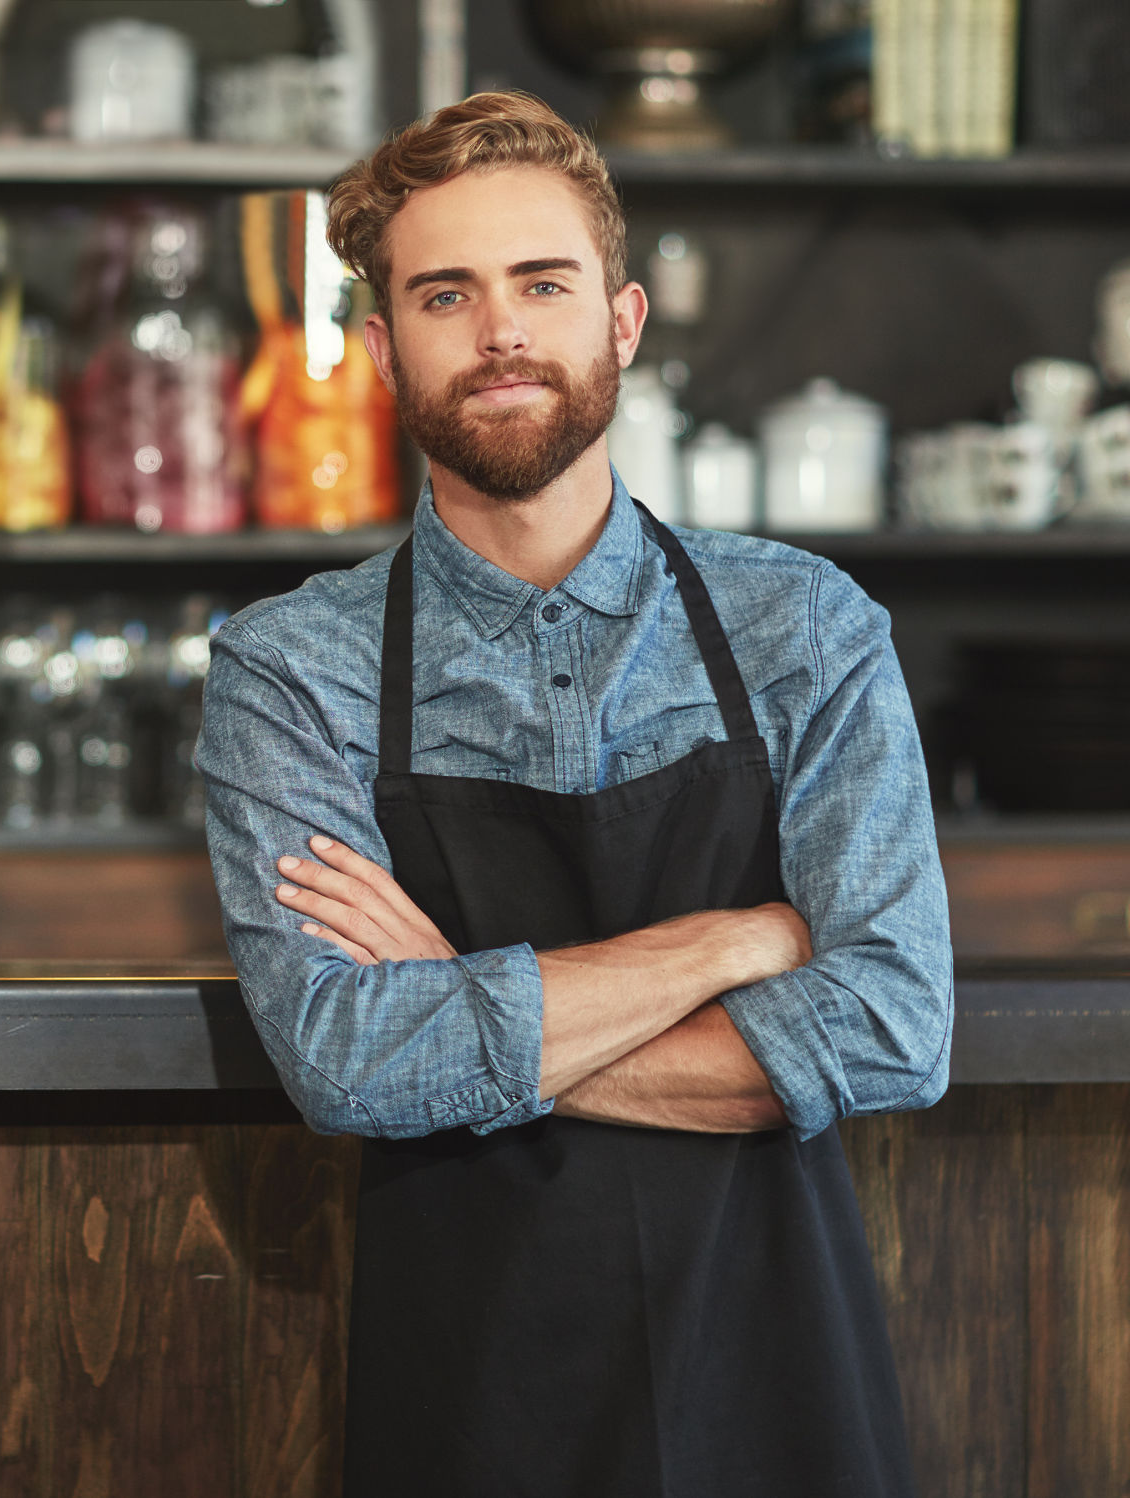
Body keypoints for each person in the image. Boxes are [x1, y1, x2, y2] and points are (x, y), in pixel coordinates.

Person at [196, 92, 952, 1497]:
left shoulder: (808, 630)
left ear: (622, 321)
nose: (500, 334)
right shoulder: (289, 670)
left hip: (777, 1381)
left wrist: (466, 1005)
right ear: (381, 350)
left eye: (543, 284)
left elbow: (895, 1024)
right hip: (478, 1399)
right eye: (445, 294)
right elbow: (349, 1061)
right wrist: (740, 942)